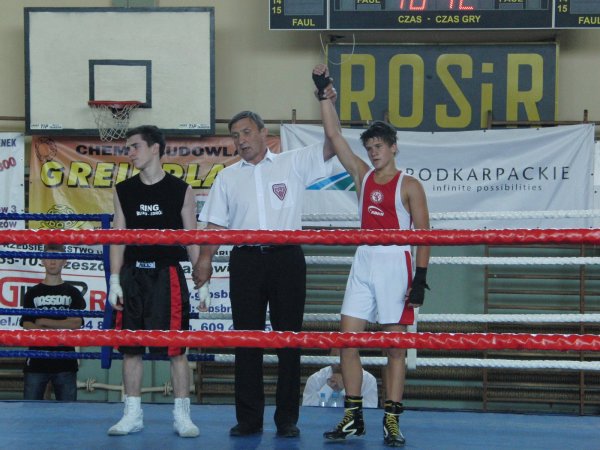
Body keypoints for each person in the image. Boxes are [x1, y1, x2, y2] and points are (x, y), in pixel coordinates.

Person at [193, 104, 337, 438]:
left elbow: (332, 142)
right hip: (245, 261)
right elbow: (215, 225)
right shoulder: (228, 176)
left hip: (286, 258)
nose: (241, 140)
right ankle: (249, 419)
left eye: (246, 132)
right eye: (235, 135)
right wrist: (204, 260)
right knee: (246, 341)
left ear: (263, 133)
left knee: (289, 341)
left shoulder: (293, 162)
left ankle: (287, 419)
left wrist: (325, 99)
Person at [313, 64, 431, 447]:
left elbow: (424, 235)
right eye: (369, 148)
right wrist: (323, 93)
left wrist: (420, 278)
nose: (373, 152)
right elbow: (334, 135)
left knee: (394, 348)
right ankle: (353, 417)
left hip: (396, 263)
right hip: (364, 259)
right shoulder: (362, 176)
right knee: (347, 342)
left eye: (379, 147)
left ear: (393, 147)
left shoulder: (410, 185)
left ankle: (392, 420)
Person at [106, 125, 200, 438]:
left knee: (177, 349)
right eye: (127, 148)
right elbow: (118, 237)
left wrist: (202, 278)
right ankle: (132, 414)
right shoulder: (124, 190)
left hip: (167, 275)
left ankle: (182, 416)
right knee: (130, 349)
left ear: (155, 148)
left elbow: (191, 238)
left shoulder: (180, 190)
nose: (130, 153)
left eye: (135, 146)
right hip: (133, 275)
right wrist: (114, 279)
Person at [20, 244, 86, 401]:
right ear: (42, 261)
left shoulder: (73, 292)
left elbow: (75, 323)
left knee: (68, 411)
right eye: (49, 257)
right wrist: (58, 325)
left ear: (65, 261)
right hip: (36, 361)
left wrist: (44, 322)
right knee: (29, 410)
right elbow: (27, 324)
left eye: (57, 257)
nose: (52, 262)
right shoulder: (32, 292)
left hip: (65, 361)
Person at [302, 362, 378, 408]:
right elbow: (307, 410)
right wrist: (328, 388)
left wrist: (347, 390)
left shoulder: (368, 380)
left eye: (344, 356)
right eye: (336, 356)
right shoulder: (315, 379)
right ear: (329, 356)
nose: (340, 360)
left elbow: (371, 412)